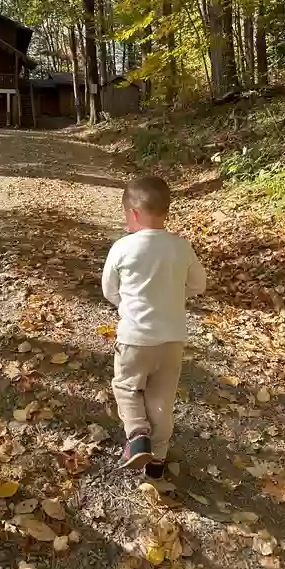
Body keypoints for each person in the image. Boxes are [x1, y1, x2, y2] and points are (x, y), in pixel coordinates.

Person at [102, 175, 206, 479]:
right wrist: (174, 296)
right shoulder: (181, 247)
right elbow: (198, 285)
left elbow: (109, 289)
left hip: (135, 337)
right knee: (162, 398)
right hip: (172, 339)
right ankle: (157, 460)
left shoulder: (122, 247)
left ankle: (137, 436)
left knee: (126, 386)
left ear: (133, 213)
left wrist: (126, 304)